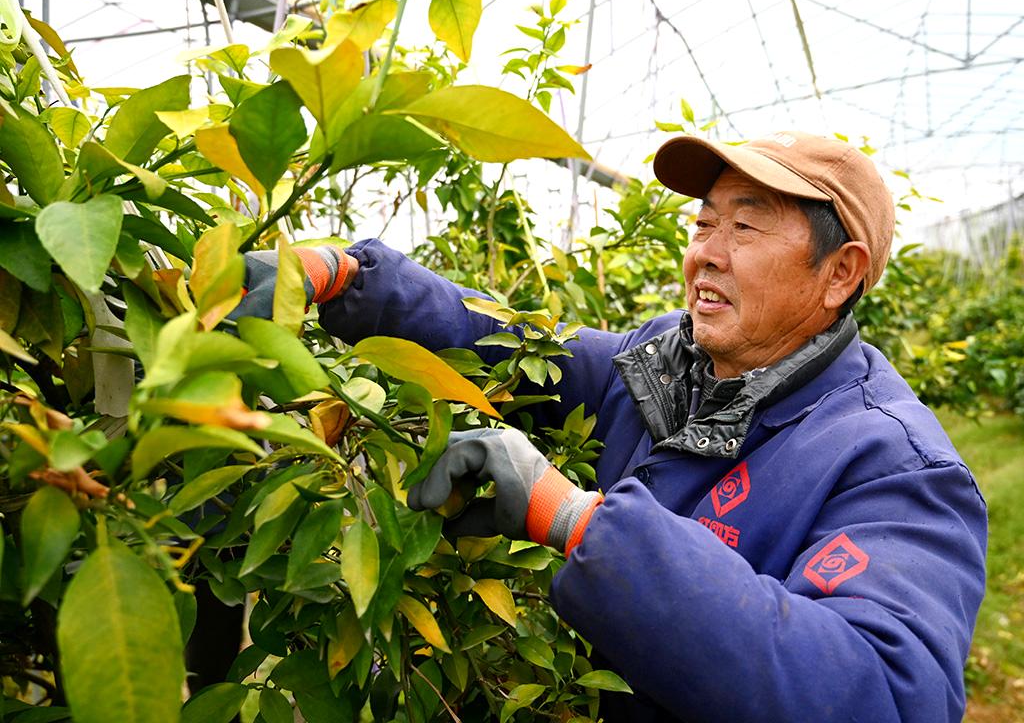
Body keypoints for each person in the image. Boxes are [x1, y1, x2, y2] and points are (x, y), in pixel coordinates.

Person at [236, 131, 987, 722]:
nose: (705, 254)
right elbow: (512, 345)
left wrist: (578, 521)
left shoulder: (891, 464)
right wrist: (346, 275)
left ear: (840, 273)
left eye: (745, 227)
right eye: (704, 223)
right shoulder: (663, 362)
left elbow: (888, 697)